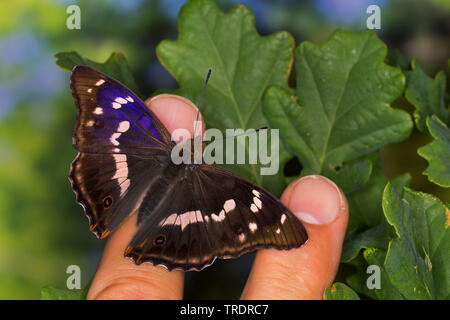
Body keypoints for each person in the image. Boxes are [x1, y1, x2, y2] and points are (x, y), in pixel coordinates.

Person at [86, 94, 349, 300]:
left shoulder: (160, 145)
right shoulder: (219, 185)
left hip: (130, 182)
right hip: (161, 205)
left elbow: (258, 216)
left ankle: (108, 210)